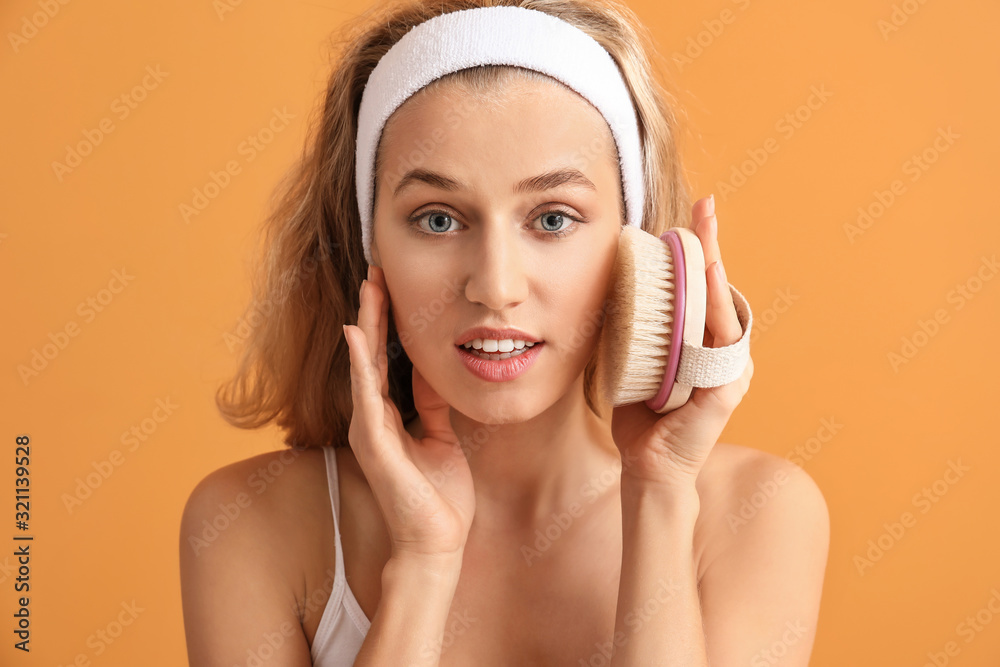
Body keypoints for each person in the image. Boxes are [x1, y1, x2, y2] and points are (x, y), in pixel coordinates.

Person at [179, 1, 830, 665]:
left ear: (639, 256)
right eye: (437, 219)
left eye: (552, 219)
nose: (495, 285)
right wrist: (424, 565)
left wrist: (660, 491)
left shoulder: (759, 513)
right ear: (369, 246)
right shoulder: (248, 523)